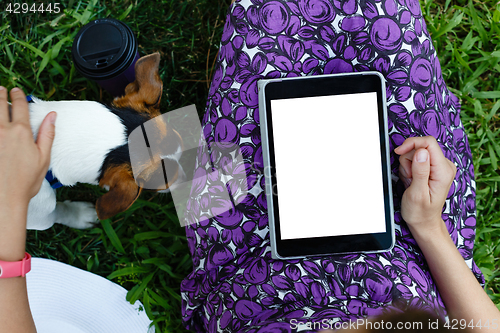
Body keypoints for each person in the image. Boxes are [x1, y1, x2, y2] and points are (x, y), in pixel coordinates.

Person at [179, 0, 498, 332]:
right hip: (405, 236)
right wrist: (429, 225)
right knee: (388, 15)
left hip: (246, 258)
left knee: (256, 34)